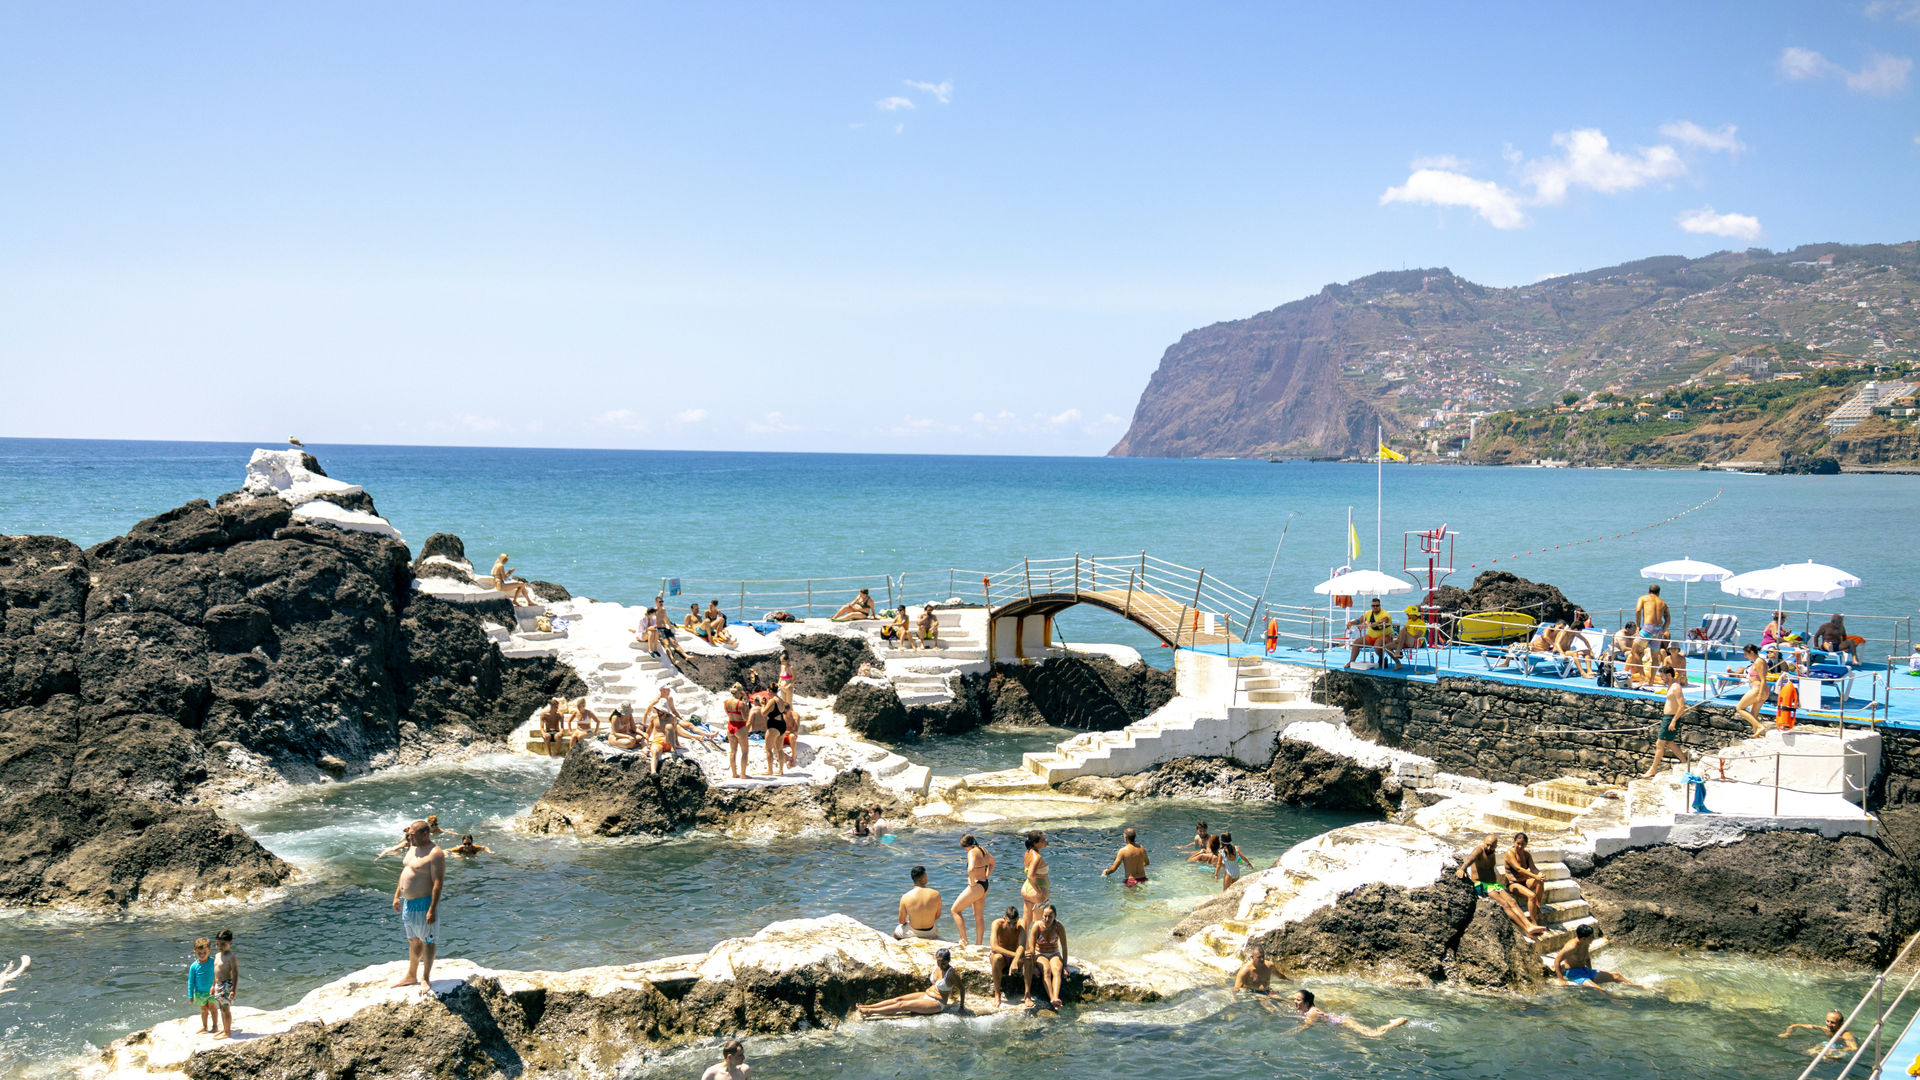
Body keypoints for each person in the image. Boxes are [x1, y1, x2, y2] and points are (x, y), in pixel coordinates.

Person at [1456, 834, 1548, 939]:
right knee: (1504, 904)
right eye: (1487, 845)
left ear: (1496, 846)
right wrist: (1462, 868)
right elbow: (1471, 858)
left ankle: (1529, 925)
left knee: (1512, 901)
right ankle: (1526, 929)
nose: (1489, 848)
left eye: (1492, 846)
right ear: (1484, 843)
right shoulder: (1479, 850)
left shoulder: (1492, 853)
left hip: (1494, 884)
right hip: (1482, 884)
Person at [391, 818, 446, 992]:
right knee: (413, 941)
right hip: (409, 904)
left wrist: (432, 909)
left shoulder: (435, 853)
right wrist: (397, 896)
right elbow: (406, 871)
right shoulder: (412, 847)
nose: (409, 838)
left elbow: (438, 883)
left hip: (424, 904)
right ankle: (411, 975)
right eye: (409, 835)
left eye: (413, 835)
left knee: (427, 941)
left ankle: (426, 977)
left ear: (425, 834)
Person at [857, 947, 964, 1017]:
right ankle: (868, 1006)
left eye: (943, 962)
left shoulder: (952, 973)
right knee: (898, 999)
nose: (941, 965)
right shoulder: (937, 967)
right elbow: (941, 985)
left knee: (902, 1005)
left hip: (937, 1003)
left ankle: (870, 1012)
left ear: (948, 961)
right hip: (926, 995)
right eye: (938, 961)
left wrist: (961, 1007)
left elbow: (962, 989)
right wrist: (951, 995)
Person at [1552, 923, 1639, 991]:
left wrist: (1591, 972)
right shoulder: (1571, 947)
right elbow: (1557, 961)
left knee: (1617, 976)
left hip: (1585, 970)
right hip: (1574, 974)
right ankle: (1616, 1003)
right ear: (1583, 938)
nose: (1593, 939)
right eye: (1591, 937)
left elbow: (1587, 959)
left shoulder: (1586, 943)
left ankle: (1638, 987)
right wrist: (1561, 980)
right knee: (1599, 989)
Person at [1289, 988, 1408, 1038]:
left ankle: (1395, 1023)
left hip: (1344, 1023)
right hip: (1340, 1025)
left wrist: (1288, 1033)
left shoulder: (1312, 1014)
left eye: (1298, 1000)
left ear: (1306, 1003)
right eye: (1294, 999)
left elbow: (1305, 1027)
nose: (1295, 1002)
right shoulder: (1307, 1010)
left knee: (1373, 1035)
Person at [1645, 667, 1691, 777]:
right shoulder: (1671, 685)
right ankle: (1684, 762)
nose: (1661, 678)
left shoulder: (1676, 687)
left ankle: (1653, 769)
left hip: (1670, 718)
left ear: (1669, 675)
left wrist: (1673, 721)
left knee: (1659, 743)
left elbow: (1682, 706)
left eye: (1662, 676)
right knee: (1669, 742)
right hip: (1667, 718)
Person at [1023, 904, 1069, 1011]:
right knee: (1046, 970)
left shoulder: (1059, 926)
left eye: (1050, 917)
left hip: (1054, 953)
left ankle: (1056, 997)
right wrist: (1033, 966)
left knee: (1057, 970)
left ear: (1055, 916)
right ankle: (1052, 998)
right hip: (1040, 953)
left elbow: (1064, 947)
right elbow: (1031, 948)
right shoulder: (1037, 926)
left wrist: (1065, 966)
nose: (1047, 919)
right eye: (1045, 916)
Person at [952, 834, 996, 945]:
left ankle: (964, 940)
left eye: (964, 847)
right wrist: (987, 875)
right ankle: (978, 944)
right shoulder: (983, 849)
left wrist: (972, 883)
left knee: (955, 910)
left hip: (976, 886)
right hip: (985, 885)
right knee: (979, 917)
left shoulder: (971, 852)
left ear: (967, 845)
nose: (965, 850)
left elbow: (970, 869)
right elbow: (992, 863)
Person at [1500, 832, 1546, 926]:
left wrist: (1540, 874)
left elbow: (1533, 869)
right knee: (1532, 896)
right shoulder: (1510, 853)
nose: (1520, 846)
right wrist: (1535, 876)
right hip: (1513, 884)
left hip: (1525, 881)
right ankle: (1533, 922)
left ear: (1526, 844)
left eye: (1523, 844)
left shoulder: (1526, 854)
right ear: (1514, 842)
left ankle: (1537, 907)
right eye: (1518, 843)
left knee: (1540, 880)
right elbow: (1518, 869)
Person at [987, 906, 1024, 1007]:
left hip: (1014, 956)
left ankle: (1027, 994)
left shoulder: (1021, 925)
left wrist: (1016, 960)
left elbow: (1022, 946)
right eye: (1009, 923)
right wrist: (1015, 955)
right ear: (1004, 918)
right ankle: (997, 994)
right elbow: (994, 947)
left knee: (1029, 957)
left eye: (1014, 923)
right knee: (996, 958)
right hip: (1001, 956)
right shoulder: (997, 924)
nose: (1012, 926)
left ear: (1018, 919)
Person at [894, 865, 944, 940]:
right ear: (923, 878)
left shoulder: (905, 897)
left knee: (895, 933)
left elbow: (901, 920)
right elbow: (937, 916)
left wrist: (909, 921)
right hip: (931, 932)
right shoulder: (936, 894)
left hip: (913, 933)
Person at [1780, 1011, 1859, 1056]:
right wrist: (1787, 1033)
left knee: (1826, 1052)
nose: (1829, 1024)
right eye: (1827, 1021)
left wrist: (1835, 1050)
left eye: (1833, 1022)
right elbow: (1796, 1025)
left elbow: (1854, 1048)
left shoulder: (1846, 1035)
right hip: (1829, 1045)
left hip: (1841, 1048)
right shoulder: (1825, 1029)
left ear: (1841, 1024)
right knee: (1809, 1052)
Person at [1345, 598, 1395, 668]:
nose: (1375, 607)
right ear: (1371, 606)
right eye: (1373, 606)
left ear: (1380, 606)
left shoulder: (1385, 613)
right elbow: (1359, 621)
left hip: (1384, 636)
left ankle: (1381, 657)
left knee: (1377, 646)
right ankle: (1351, 662)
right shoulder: (1368, 613)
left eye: (1377, 605)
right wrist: (1351, 623)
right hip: (1371, 636)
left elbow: (1385, 620)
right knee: (1356, 643)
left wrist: (1377, 623)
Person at [209, 930, 238, 1039]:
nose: (219, 947)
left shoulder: (231, 957)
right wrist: (213, 985)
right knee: (221, 1008)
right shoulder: (217, 955)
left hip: (226, 984)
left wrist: (233, 990)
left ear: (230, 943)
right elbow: (215, 972)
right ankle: (225, 1028)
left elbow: (235, 973)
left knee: (226, 1009)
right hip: (218, 984)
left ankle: (228, 1032)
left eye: (223, 944)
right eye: (217, 944)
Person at [1733, 644, 1768, 737]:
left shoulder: (1759, 662)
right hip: (1759, 689)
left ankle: (1760, 727)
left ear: (1752, 652)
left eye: (1746, 654)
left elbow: (1763, 679)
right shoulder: (1758, 661)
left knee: (1740, 708)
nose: (1745, 656)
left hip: (1758, 689)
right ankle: (1756, 734)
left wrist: (1760, 694)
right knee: (1753, 714)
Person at [1020, 831, 1051, 929]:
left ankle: (1024, 940)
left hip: (1026, 889)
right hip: (1037, 891)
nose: (1045, 840)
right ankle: (1036, 940)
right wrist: (1039, 892)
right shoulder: (1037, 857)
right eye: (1042, 840)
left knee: (1026, 921)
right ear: (1035, 843)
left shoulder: (1028, 852)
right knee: (1039, 923)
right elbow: (1030, 876)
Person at [186, 937, 216, 1034]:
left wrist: (216, 986)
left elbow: (218, 974)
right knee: (203, 1009)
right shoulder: (194, 966)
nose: (202, 955)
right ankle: (204, 1026)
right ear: (195, 952)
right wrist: (190, 995)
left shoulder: (213, 962)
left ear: (209, 951)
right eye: (199, 953)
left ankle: (215, 1026)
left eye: (205, 952)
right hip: (199, 992)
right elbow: (191, 982)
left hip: (212, 991)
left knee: (212, 1007)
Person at [722, 684, 751, 778]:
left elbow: (728, 714)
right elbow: (745, 718)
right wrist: (747, 707)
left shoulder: (726, 702)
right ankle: (743, 774)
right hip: (740, 726)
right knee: (745, 751)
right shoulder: (741, 704)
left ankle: (734, 773)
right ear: (740, 693)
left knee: (733, 751)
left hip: (730, 726)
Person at [646, 707, 684, 775]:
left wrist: (677, 742)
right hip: (658, 740)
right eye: (657, 710)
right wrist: (645, 744)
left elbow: (675, 730)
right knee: (654, 752)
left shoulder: (672, 718)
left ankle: (673, 750)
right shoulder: (653, 717)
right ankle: (653, 772)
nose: (657, 711)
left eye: (659, 710)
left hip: (668, 740)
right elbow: (649, 731)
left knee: (669, 726)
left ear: (665, 712)